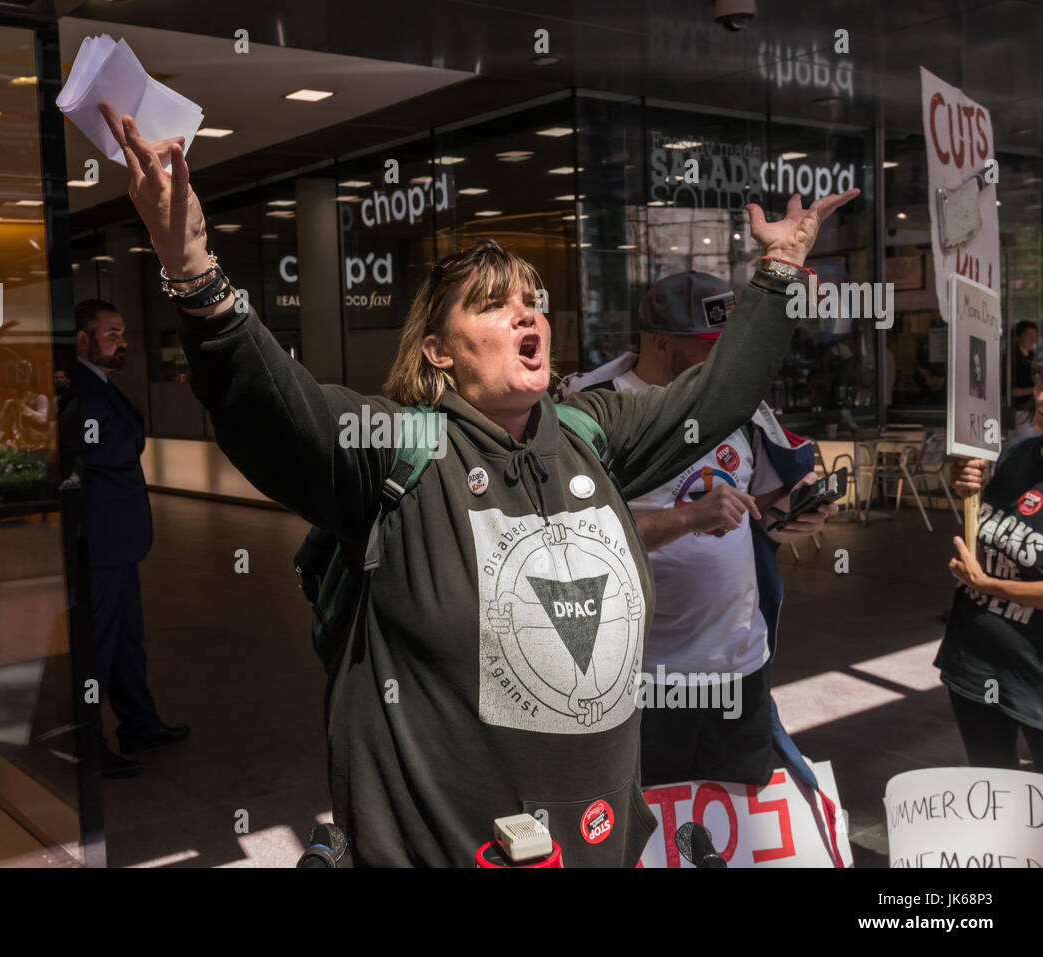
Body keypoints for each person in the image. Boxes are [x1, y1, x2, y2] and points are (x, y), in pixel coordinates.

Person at [101, 101, 857, 865]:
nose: (526, 313)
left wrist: (779, 273)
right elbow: (272, 409)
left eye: (533, 300)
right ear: (438, 352)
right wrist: (194, 272)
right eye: (494, 306)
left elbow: (716, 395)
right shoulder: (396, 450)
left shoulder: (592, 433)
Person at [557, 273, 838, 789]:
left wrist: (797, 512)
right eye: (709, 346)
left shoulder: (739, 404)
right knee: (652, 827)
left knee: (739, 815)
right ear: (661, 342)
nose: (724, 361)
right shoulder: (590, 413)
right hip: (644, 679)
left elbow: (765, 504)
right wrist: (688, 517)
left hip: (739, 665)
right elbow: (570, 542)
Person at [60, 298, 189, 779]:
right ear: (83, 340)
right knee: (99, 646)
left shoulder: (99, 387)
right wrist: (132, 439)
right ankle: (87, 744)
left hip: (119, 542)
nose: (123, 340)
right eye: (112, 332)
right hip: (102, 543)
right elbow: (103, 446)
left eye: (122, 331)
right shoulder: (81, 391)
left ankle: (140, 724)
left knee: (126, 642)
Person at [940, 356, 1043, 771]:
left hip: (1035, 680)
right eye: (1040, 381)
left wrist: (989, 586)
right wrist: (962, 480)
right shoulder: (1017, 452)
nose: (1040, 395)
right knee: (992, 797)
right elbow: (983, 526)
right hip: (975, 663)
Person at [1011, 320, 1038, 439]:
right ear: (1020, 335)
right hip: (1019, 411)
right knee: (1023, 444)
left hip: (1034, 409)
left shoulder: (1034, 357)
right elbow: (1011, 391)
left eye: (1035, 336)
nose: (1033, 339)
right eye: (1029, 335)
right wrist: (1035, 390)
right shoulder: (1011, 357)